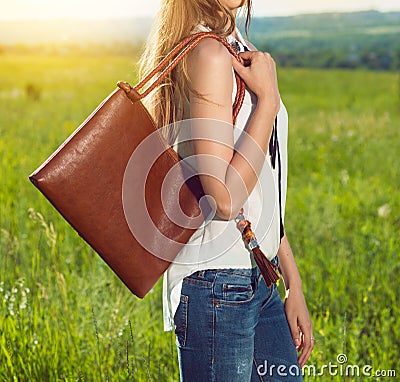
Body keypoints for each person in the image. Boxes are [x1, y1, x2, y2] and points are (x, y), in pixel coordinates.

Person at [139, 0, 314, 380]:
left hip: (259, 274)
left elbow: (262, 184)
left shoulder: (237, 49)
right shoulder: (208, 54)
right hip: (217, 284)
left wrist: (291, 281)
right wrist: (267, 100)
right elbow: (224, 197)